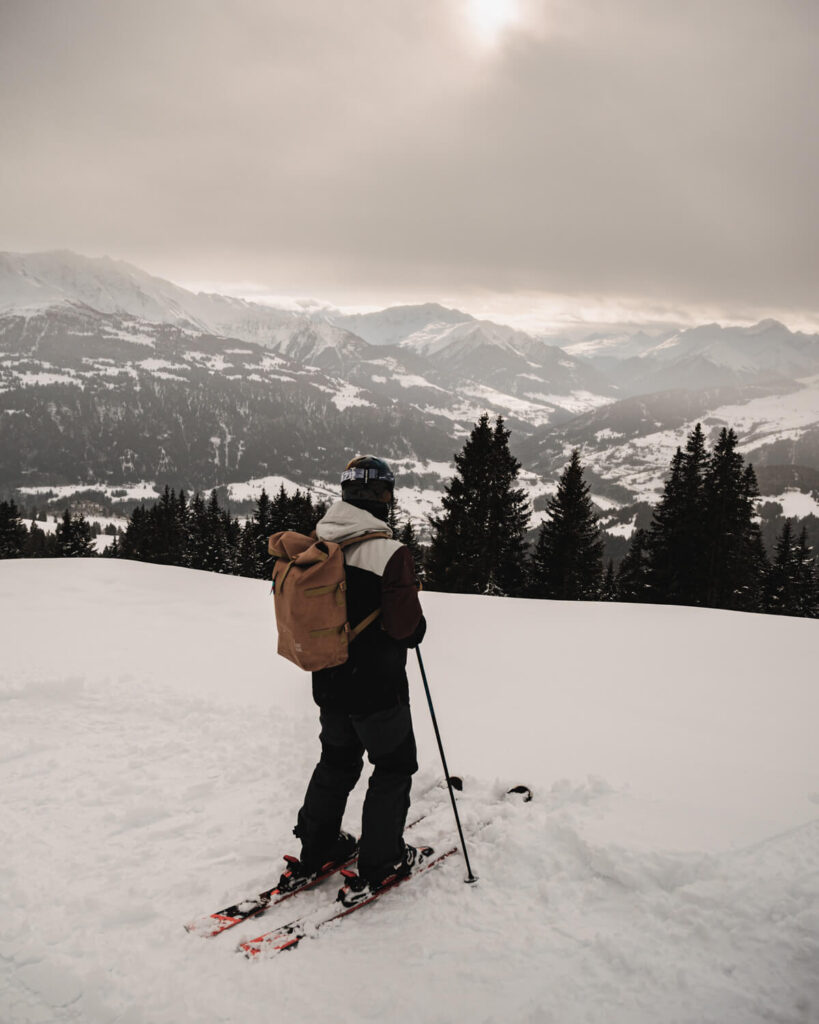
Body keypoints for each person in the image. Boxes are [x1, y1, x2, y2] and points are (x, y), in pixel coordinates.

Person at [278, 454, 427, 902]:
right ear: (385, 496)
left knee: (337, 762)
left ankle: (316, 848)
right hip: (377, 687)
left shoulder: (317, 540)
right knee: (394, 765)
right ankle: (382, 861)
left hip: (329, 679)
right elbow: (405, 629)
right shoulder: (388, 552)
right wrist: (418, 628)